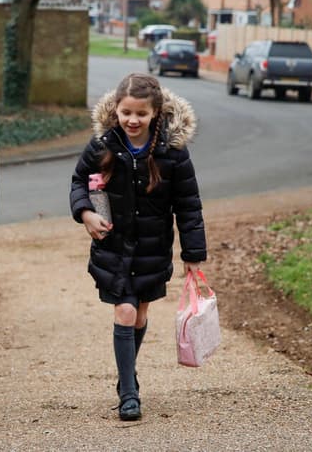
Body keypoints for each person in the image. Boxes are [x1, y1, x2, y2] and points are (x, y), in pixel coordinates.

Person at [69, 73, 206, 421]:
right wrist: (85, 212)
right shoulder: (102, 145)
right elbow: (79, 182)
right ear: (116, 109)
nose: (132, 120)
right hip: (113, 247)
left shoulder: (173, 154)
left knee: (140, 315)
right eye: (126, 112)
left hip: (152, 250)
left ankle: (125, 372)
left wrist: (193, 255)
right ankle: (129, 393)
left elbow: (189, 205)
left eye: (141, 114)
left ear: (155, 113)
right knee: (126, 312)